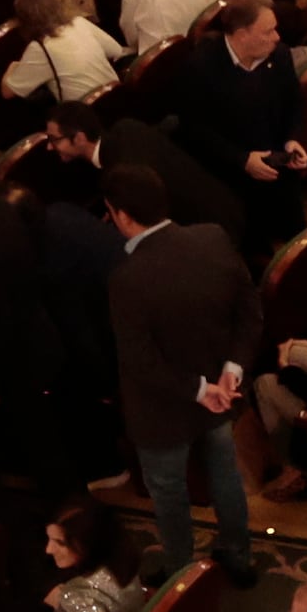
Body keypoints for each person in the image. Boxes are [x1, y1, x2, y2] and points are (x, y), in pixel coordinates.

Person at [101, 164, 264, 580]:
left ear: (121, 215)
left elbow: (140, 360)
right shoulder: (212, 237)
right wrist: (232, 370)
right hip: (221, 393)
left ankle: (182, 575)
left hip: (162, 410)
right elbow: (249, 311)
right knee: (225, 475)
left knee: (170, 492)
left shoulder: (127, 279)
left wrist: (198, 390)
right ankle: (238, 557)